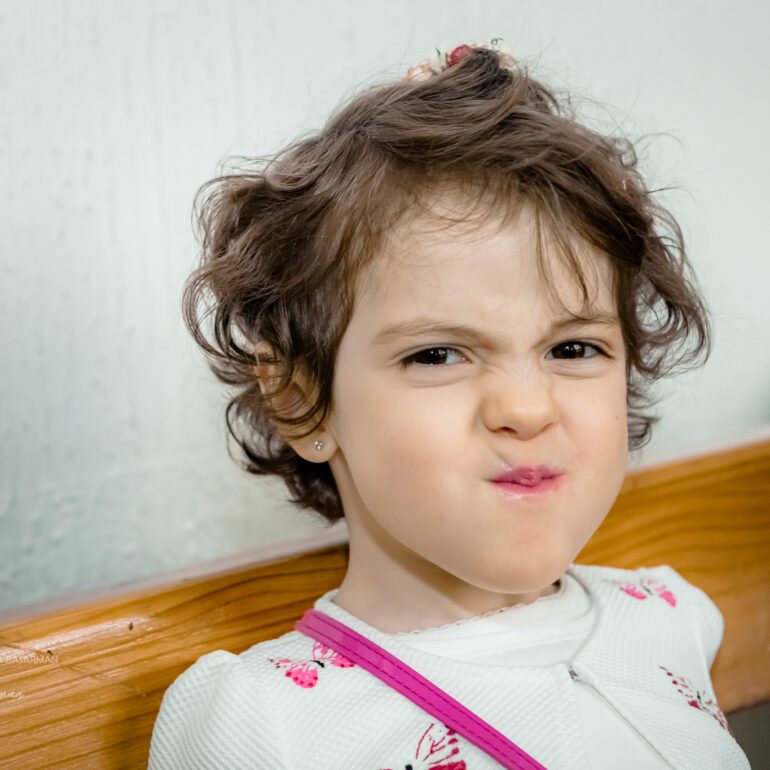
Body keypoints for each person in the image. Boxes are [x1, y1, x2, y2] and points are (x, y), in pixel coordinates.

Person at [147, 40, 750, 769]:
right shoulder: (266, 723)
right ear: (306, 402)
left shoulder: (672, 620)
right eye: (437, 355)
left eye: (573, 349)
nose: (527, 409)